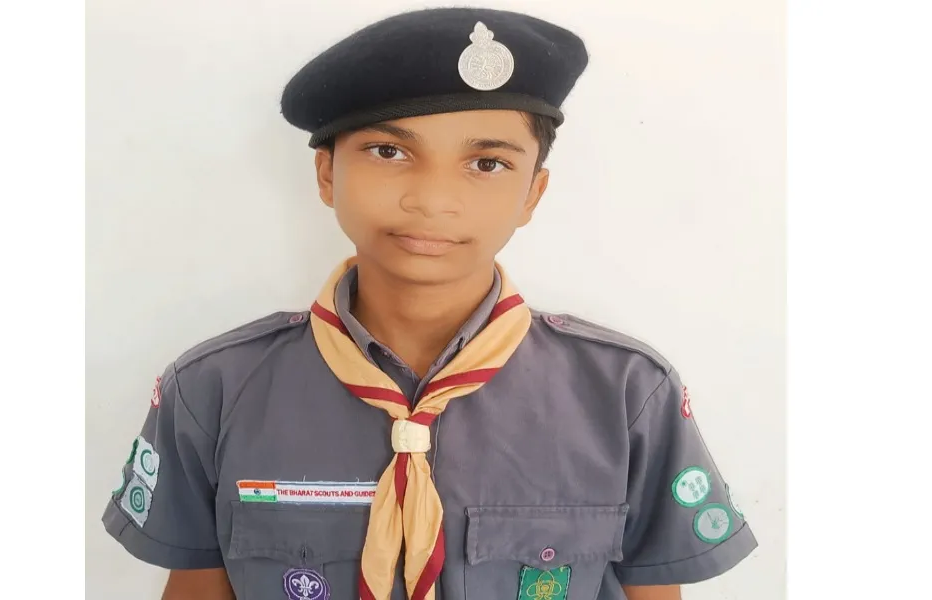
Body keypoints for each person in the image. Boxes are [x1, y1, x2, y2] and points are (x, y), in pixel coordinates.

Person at [101, 7, 757, 600]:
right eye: (389, 151)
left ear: (533, 194)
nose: (433, 199)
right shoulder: (214, 390)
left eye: (487, 163)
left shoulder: (627, 394)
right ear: (327, 173)